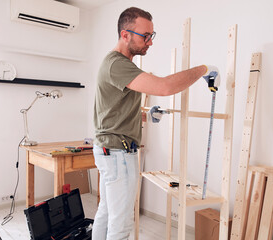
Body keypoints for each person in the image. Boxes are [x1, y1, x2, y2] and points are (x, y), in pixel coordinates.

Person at [92, 7, 220, 240]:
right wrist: (204, 69)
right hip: (118, 154)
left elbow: (113, 111)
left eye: (152, 35)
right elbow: (165, 87)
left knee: (107, 212)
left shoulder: (121, 64)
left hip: (110, 150)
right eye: (145, 36)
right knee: (120, 226)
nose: (150, 42)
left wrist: (146, 115)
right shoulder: (117, 64)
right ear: (125, 34)